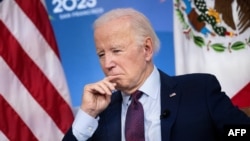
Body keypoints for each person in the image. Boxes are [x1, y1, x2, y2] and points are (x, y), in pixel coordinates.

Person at [63, 8, 250, 141]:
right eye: (101, 54)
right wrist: (86, 115)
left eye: (116, 50)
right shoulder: (100, 113)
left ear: (147, 49)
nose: (107, 63)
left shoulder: (198, 90)